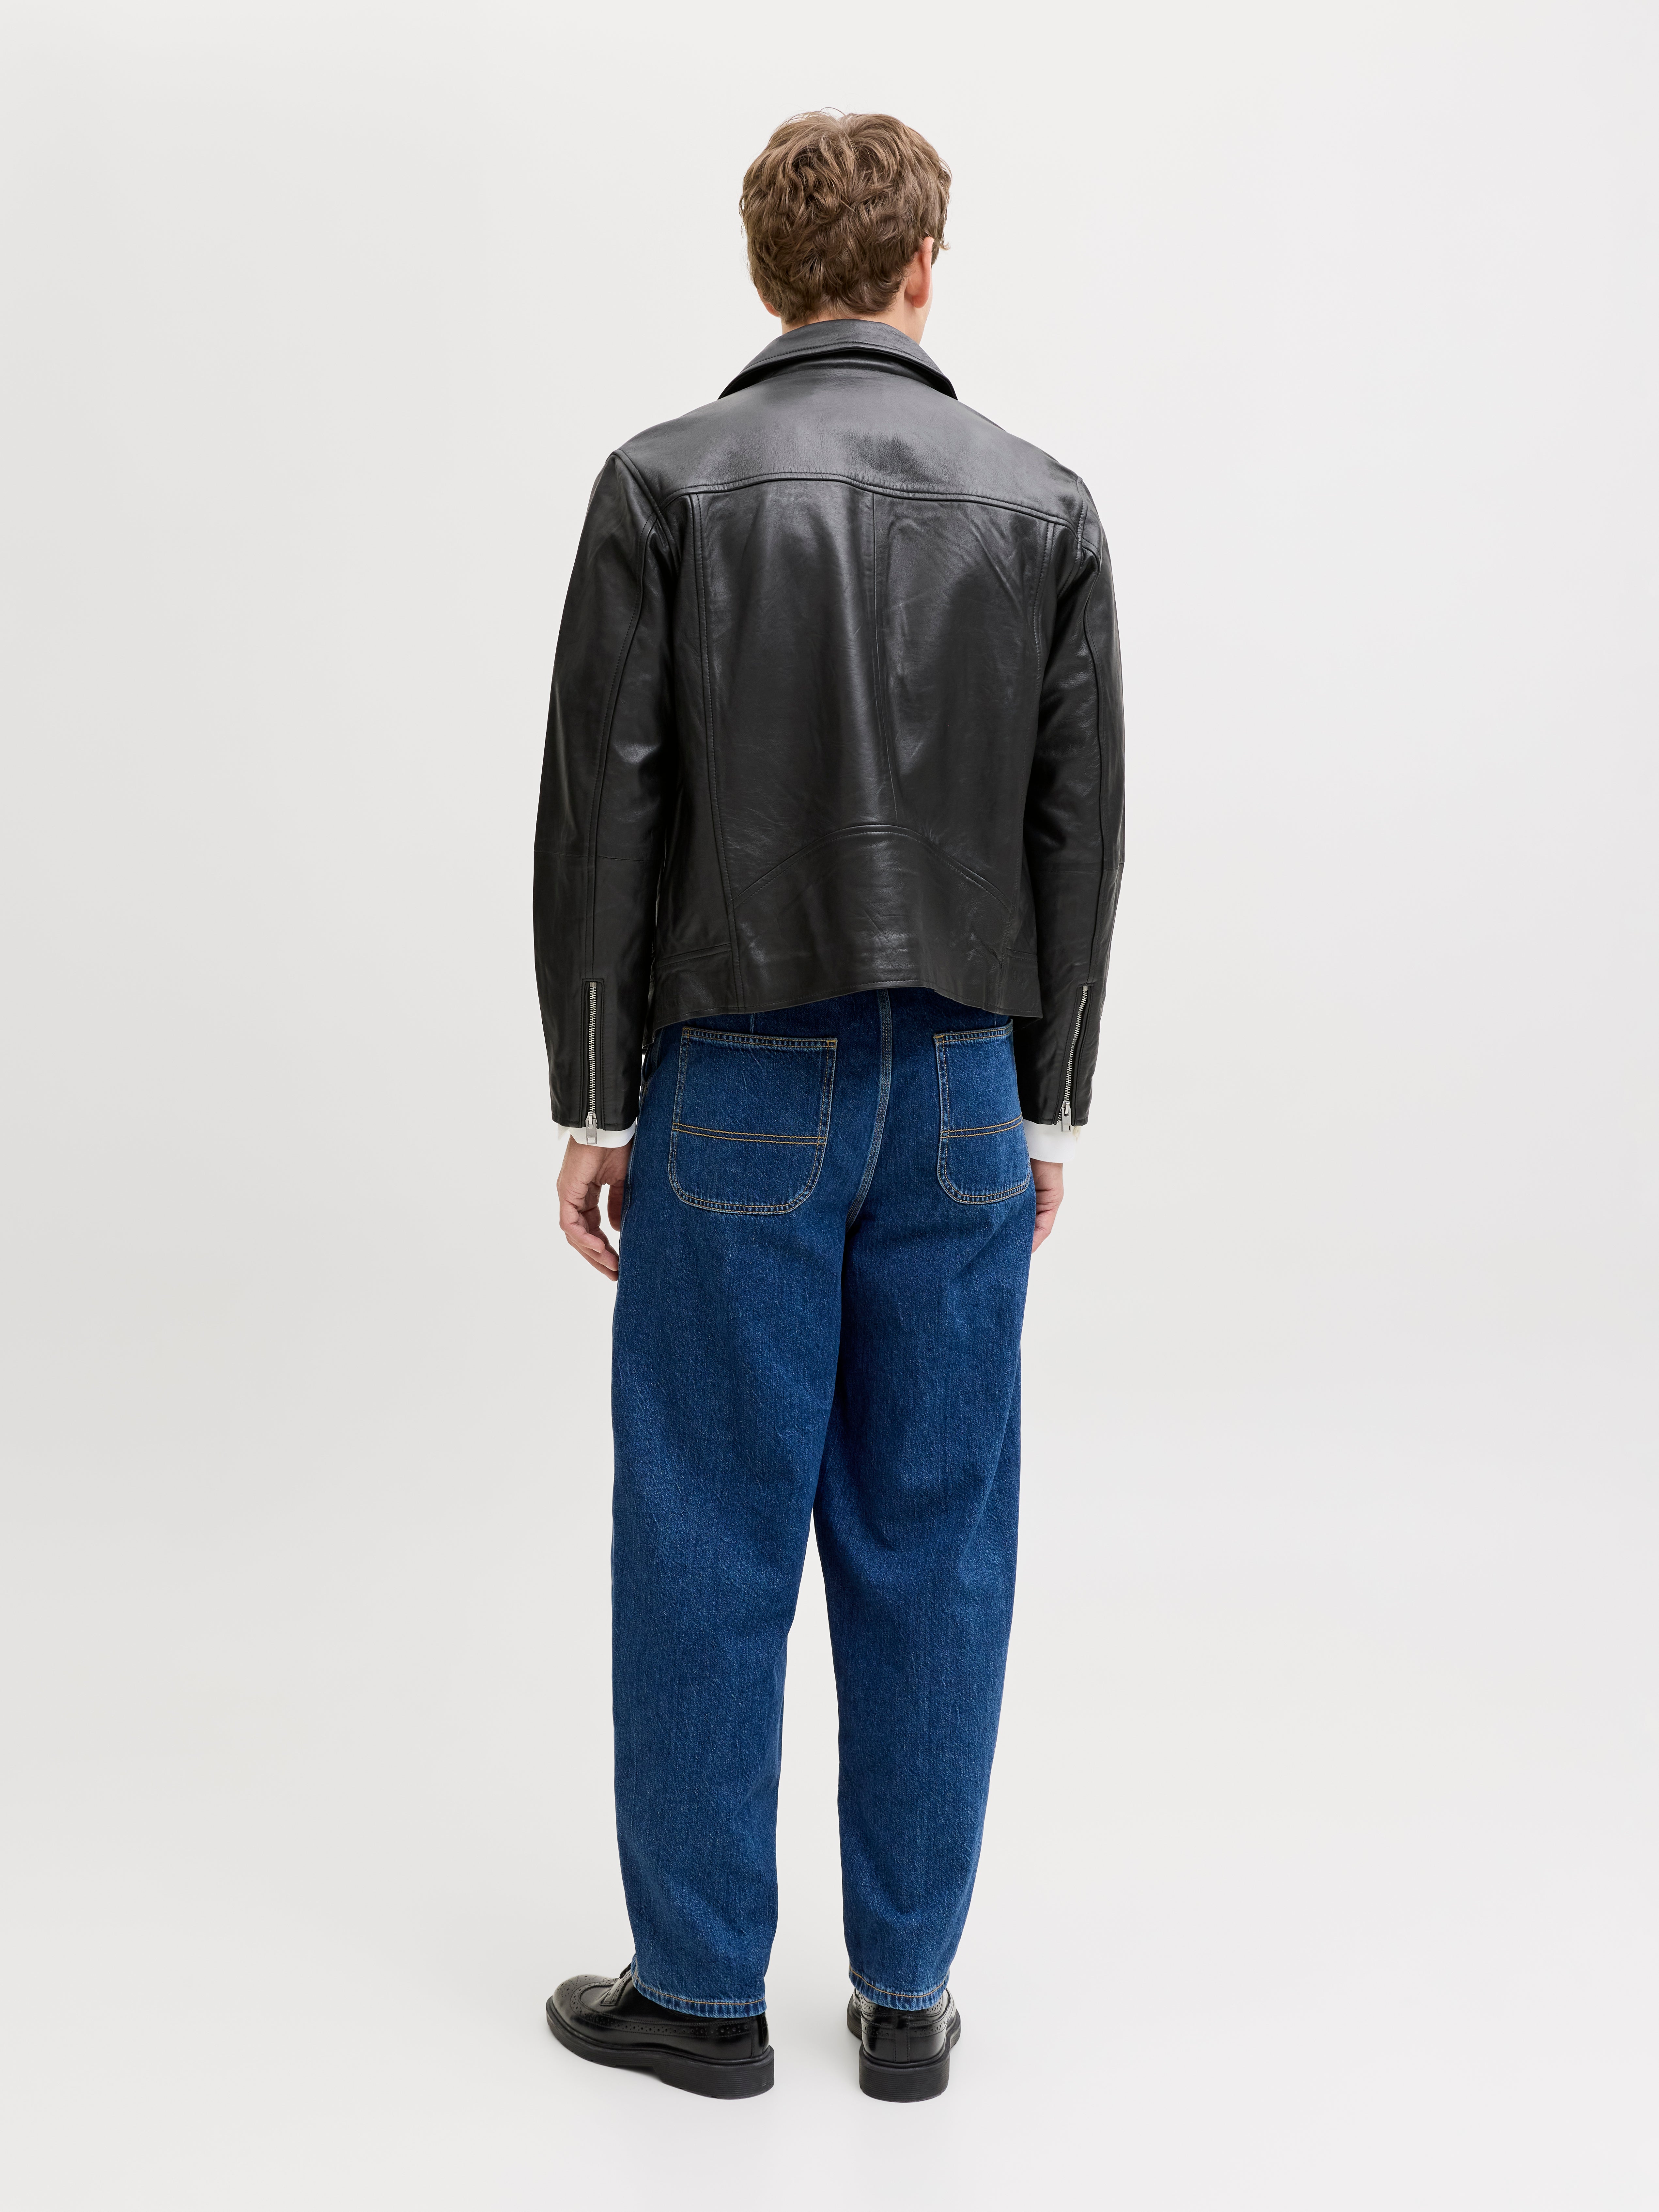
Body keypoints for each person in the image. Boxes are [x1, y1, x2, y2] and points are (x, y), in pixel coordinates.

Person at [535, 111, 1124, 2102]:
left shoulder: (667, 484)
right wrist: (1045, 1112)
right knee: (934, 1538)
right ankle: (908, 1999)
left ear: (768, 270)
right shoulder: (1041, 502)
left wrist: (595, 1093)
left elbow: (602, 811)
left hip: (736, 1078)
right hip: (960, 1081)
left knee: (709, 1527)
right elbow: (1079, 830)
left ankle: (705, 1997)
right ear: (923, 267)